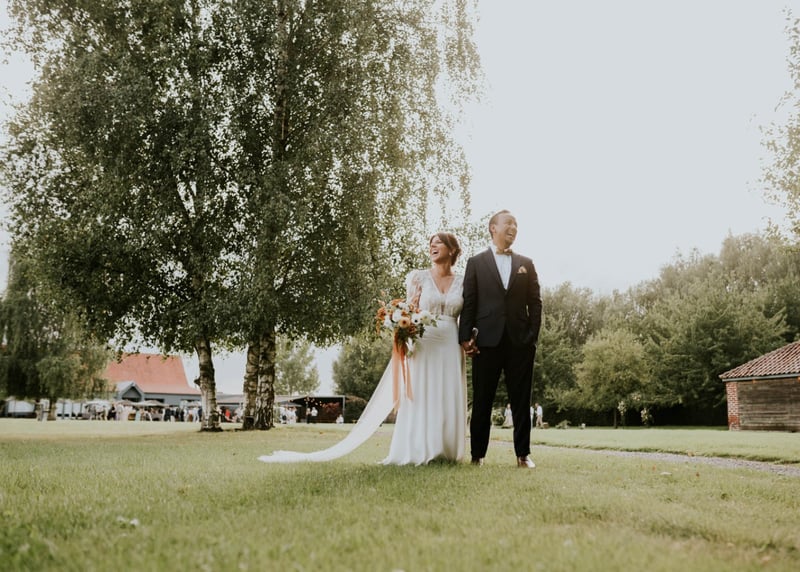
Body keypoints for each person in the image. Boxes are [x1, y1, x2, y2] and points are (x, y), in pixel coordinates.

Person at [259, 232, 466, 465]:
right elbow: (410, 310)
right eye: (430, 244)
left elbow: (468, 315)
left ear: (452, 249)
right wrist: (401, 327)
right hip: (424, 342)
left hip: (451, 342)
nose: (432, 247)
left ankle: (446, 451)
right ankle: (420, 449)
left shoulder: (463, 281)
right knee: (421, 393)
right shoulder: (418, 278)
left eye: (438, 243)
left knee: (447, 393)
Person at [459, 210, 542, 468]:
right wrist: (464, 337)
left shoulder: (526, 263)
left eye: (516, 224)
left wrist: (532, 337)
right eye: (508, 223)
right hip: (486, 341)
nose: (513, 228)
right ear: (493, 228)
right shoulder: (475, 262)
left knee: (521, 400)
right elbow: (469, 302)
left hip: (520, 342)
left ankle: (523, 455)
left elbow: (535, 302)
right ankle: (477, 456)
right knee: (482, 400)